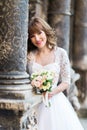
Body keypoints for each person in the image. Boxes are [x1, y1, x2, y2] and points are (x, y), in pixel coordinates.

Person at [27, 17, 84, 130]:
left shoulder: (60, 53)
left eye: (39, 33)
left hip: (54, 102)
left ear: (46, 32)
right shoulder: (29, 56)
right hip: (33, 102)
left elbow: (66, 81)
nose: (37, 38)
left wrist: (51, 92)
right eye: (32, 36)